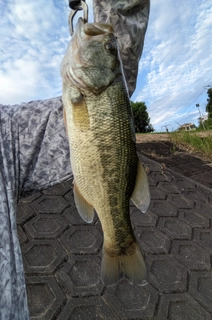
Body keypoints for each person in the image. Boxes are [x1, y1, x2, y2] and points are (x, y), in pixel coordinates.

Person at [0, 1, 150, 318]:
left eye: (107, 46)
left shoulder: (8, 134)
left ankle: (118, 240)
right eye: (108, 47)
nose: (104, 41)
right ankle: (118, 239)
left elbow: (120, 61)